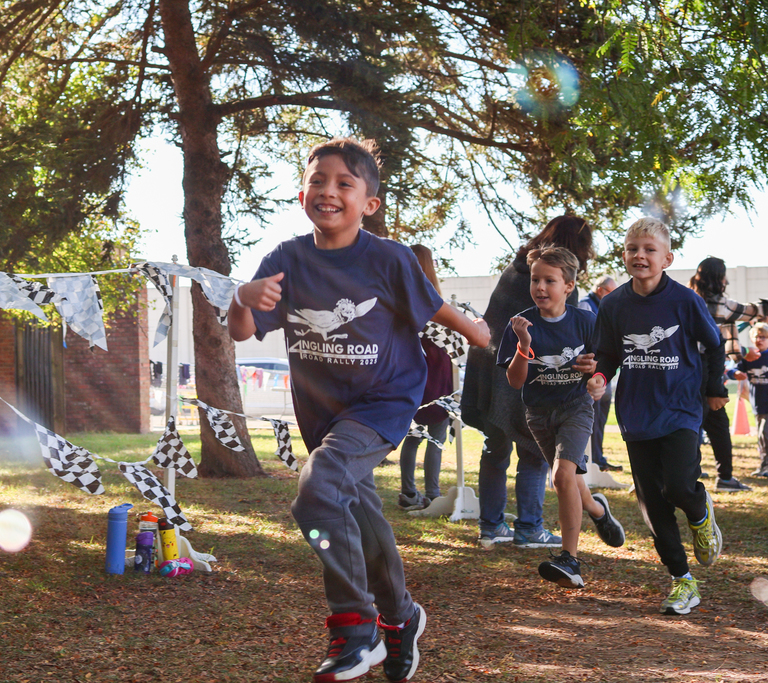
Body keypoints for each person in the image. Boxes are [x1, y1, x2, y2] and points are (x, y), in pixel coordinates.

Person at [228, 137, 489, 683]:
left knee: (317, 492)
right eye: (318, 181)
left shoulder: (387, 258)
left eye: (344, 183)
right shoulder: (286, 258)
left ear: (369, 202)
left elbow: (433, 305)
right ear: (303, 192)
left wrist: (479, 332)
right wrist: (240, 299)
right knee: (363, 520)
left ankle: (355, 626)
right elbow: (243, 331)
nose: (329, 191)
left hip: (383, 402)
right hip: (324, 413)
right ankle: (401, 617)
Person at [588, 217, 724, 616]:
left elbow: (713, 346)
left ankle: (700, 513)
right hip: (636, 414)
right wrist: (598, 377)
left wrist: (715, 389)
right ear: (624, 255)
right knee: (652, 503)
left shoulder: (685, 300)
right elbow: (608, 355)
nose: (640, 256)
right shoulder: (613, 305)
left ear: (667, 257)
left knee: (679, 488)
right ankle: (682, 581)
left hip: (681, 408)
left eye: (649, 250)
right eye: (633, 249)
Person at [462, 214, 594, 549]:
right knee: (534, 452)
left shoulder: (518, 268)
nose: (542, 287)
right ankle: (529, 527)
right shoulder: (559, 279)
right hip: (525, 373)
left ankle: (491, 527)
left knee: (495, 448)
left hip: (491, 367)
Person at [502, 247, 626, 588]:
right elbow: (515, 380)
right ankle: (597, 510)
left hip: (576, 407)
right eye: (535, 280)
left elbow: (602, 368)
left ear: (569, 286)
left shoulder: (587, 322)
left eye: (550, 281)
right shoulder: (521, 324)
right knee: (568, 479)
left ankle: (570, 560)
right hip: (538, 414)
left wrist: (595, 376)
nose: (541, 287)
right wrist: (523, 344)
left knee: (561, 476)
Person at [689, 256, 765, 491]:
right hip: (708, 373)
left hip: (684, 373)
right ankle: (724, 478)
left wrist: (740, 352)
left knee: (692, 426)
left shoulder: (688, 300)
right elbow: (753, 311)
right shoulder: (721, 304)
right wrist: (743, 350)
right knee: (717, 426)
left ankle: (685, 475)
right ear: (719, 278)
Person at [397, 245, 454, 511]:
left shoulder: (400, 299)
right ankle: (432, 493)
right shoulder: (434, 299)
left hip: (413, 375)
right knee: (435, 436)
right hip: (436, 374)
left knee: (414, 436)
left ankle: (409, 492)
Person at [577, 276, 622, 472]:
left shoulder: (610, 308)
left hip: (606, 370)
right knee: (592, 419)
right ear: (600, 290)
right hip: (590, 373)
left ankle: (599, 458)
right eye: (611, 292)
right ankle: (592, 461)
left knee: (601, 419)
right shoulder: (585, 306)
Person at [734, 323, 768, 477]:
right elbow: (734, 368)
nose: (759, 340)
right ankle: (764, 465)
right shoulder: (749, 357)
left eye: (763, 337)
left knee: (764, 435)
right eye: (756, 336)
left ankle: (765, 466)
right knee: (762, 437)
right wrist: (734, 374)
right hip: (758, 404)